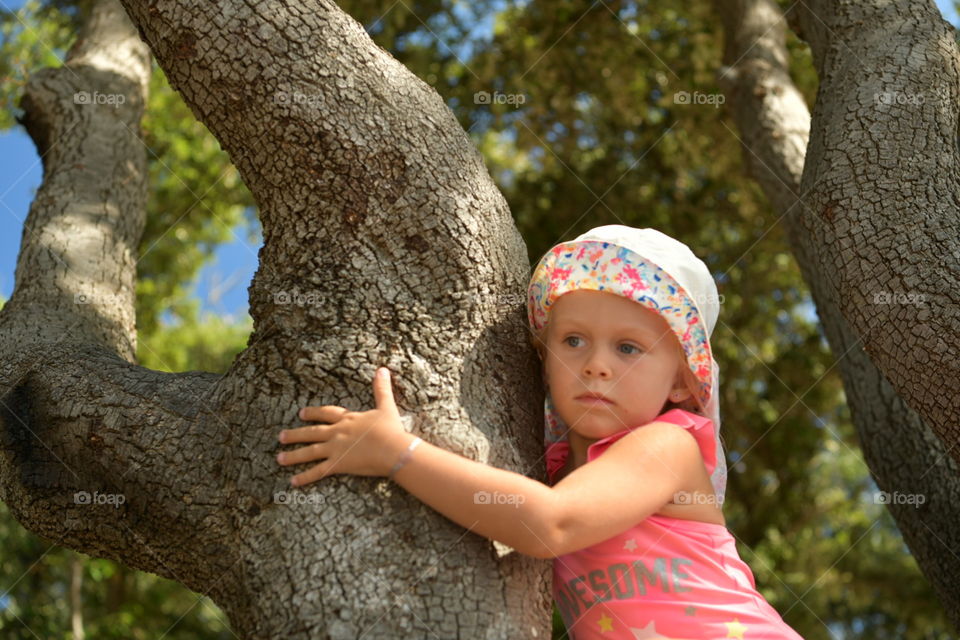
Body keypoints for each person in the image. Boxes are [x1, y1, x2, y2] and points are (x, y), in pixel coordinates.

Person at [275, 224, 805, 639]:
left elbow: (551, 524)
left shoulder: (666, 444)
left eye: (628, 348)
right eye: (573, 340)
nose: (596, 365)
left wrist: (398, 453)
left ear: (682, 386)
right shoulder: (550, 466)